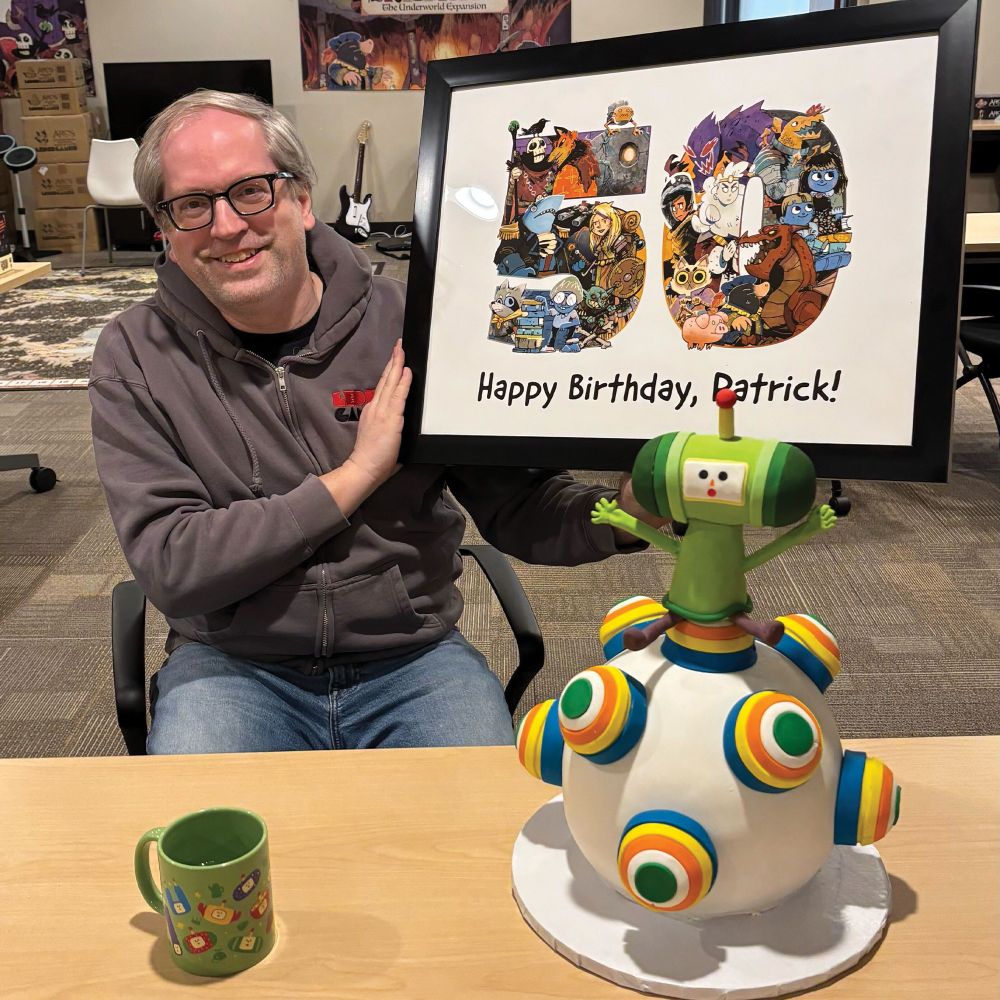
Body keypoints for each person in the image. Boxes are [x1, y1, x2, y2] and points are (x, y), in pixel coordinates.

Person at [89, 90, 664, 756]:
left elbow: (522, 507)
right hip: (231, 665)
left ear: (301, 200)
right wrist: (357, 475)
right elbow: (174, 564)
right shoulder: (133, 355)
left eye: (250, 191)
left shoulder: (410, 327)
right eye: (192, 204)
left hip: (413, 659)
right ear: (165, 227)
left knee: (477, 843)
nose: (224, 226)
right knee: (210, 846)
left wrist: (628, 511)